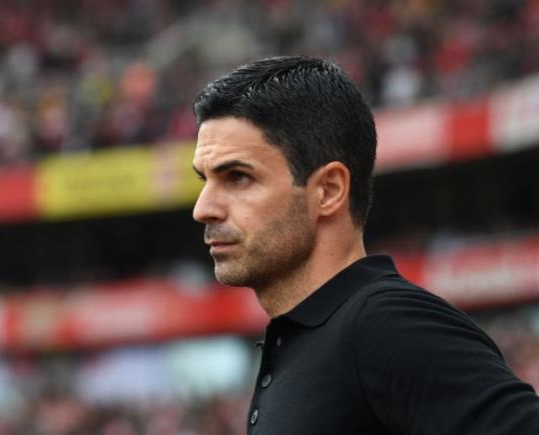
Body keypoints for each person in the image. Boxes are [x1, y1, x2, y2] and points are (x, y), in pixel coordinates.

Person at [190, 55, 539, 434]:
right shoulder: (304, 342)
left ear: (328, 190)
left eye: (238, 177)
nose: (203, 209)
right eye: (204, 180)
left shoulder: (385, 323)